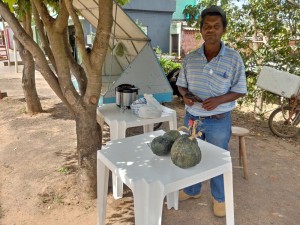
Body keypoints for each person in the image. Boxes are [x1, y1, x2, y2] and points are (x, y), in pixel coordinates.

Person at [176, 5, 247, 217]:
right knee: (191, 156)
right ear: (201, 29)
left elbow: (240, 90)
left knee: (218, 159)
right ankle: (192, 190)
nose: (211, 30)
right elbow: (181, 84)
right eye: (207, 26)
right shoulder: (190, 58)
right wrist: (184, 95)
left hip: (219, 119)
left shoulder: (234, 58)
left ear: (223, 30)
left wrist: (219, 100)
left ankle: (220, 199)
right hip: (193, 118)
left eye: (216, 26)